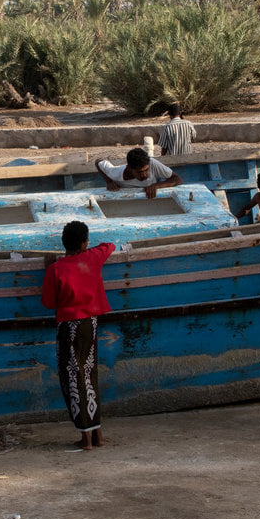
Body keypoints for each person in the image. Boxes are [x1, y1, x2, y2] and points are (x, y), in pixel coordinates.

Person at [41, 220, 115, 451]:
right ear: (84, 243)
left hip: (69, 327)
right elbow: (109, 245)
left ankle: (86, 440)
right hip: (90, 323)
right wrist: (87, 251)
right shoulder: (92, 257)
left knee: (73, 377)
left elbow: (49, 302)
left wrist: (52, 265)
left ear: (63, 243)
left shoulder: (56, 269)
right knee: (89, 375)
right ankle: (97, 435)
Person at [95, 146, 184, 199]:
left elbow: (177, 179)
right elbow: (98, 161)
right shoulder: (115, 173)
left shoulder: (151, 162)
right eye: (140, 172)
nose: (145, 175)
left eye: (146, 170)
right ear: (129, 168)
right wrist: (109, 182)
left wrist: (155, 186)